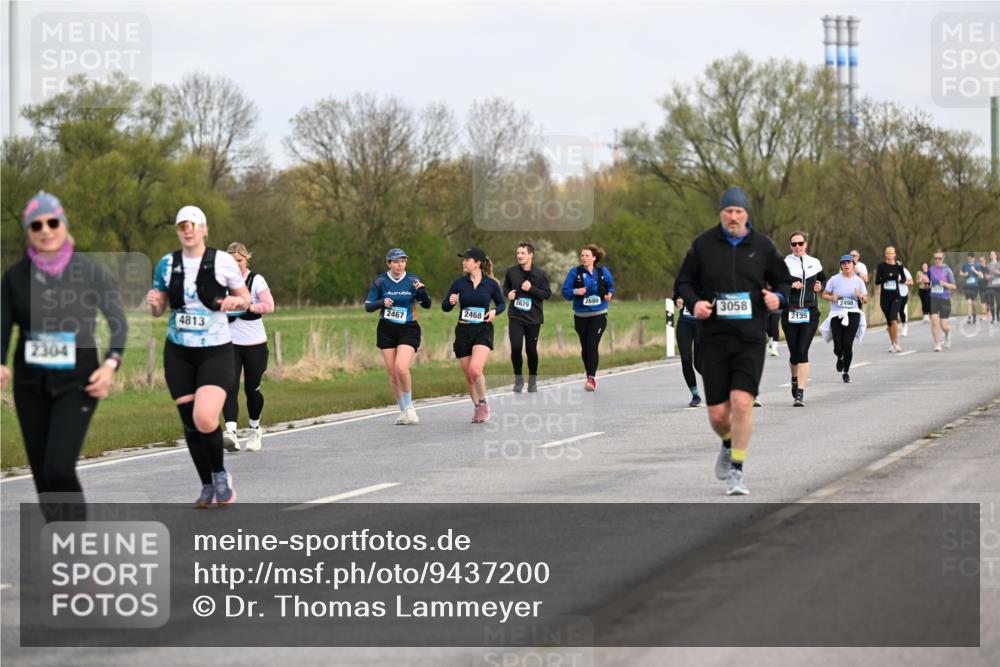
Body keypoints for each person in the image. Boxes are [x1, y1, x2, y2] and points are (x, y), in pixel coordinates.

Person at [1, 192, 127, 521]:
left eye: (52, 222)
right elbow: (3, 326)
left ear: (64, 225)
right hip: (30, 385)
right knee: (43, 476)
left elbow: (118, 321)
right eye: (36, 225)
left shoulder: (88, 271)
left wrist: (111, 364)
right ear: (28, 231)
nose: (45, 230)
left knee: (58, 466)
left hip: (78, 382)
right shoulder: (15, 277)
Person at [674, 187, 791, 496]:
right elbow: (683, 282)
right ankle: (727, 443)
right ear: (721, 213)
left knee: (741, 402)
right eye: (729, 211)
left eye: (739, 212)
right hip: (713, 338)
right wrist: (695, 302)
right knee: (717, 414)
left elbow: (784, 281)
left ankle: (737, 471)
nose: (734, 217)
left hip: (750, 338)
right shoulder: (703, 245)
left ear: (746, 214)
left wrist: (777, 297)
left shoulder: (762, 246)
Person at [147, 205, 251, 508]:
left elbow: (245, 299)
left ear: (204, 230)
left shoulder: (223, 262)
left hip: (215, 350)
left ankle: (220, 474)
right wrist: (154, 303)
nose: (188, 230)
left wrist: (234, 303)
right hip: (178, 352)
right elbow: (159, 308)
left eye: (193, 225)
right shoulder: (167, 264)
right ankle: (206, 485)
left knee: (204, 417)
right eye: (183, 226)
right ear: (178, 231)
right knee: (190, 424)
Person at [365, 248, 431, 425]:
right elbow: (368, 306)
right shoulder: (380, 281)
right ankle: (403, 411)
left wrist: (422, 291)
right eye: (396, 262)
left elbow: (427, 304)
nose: (400, 265)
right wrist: (381, 302)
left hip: (408, 328)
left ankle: (410, 407)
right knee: (393, 373)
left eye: (403, 261)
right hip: (386, 329)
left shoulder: (412, 279)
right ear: (389, 263)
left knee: (401, 367)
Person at [222, 242, 275, 452]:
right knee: (229, 387)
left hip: (255, 344)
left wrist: (250, 306)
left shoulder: (256, 280)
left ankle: (254, 429)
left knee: (251, 389)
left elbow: (269, 305)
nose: (236, 265)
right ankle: (231, 434)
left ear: (246, 259)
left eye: (239, 260)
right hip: (230, 344)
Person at [442, 248, 505, 423]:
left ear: (477, 263)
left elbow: (501, 304)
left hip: (483, 329)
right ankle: (477, 407)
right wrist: (451, 302)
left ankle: (483, 403)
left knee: (475, 369)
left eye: (467, 259)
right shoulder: (459, 283)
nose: (463, 262)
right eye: (463, 259)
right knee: (469, 376)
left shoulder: (491, 284)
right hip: (463, 330)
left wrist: (494, 311)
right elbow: (445, 306)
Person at [562, 245, 615, 391]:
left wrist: (609, 295)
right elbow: (565, 292)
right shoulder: (574, 272)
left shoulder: (602, 272)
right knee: (585, 347)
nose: (583, 258)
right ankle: (589, 374)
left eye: (587, 255)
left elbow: (610, 287)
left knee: (592, 344)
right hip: (581, 316)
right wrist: (576, 291)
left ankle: (591, 378)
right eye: (582, 255)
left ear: (594, 258)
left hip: (599, 314)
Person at [780, 231, 825, 407]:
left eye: (800, 243)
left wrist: (821, 286)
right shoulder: (784, 263)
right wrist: (790, 284)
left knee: (802, 351)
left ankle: (800, 393)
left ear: (805, 244)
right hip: (790, 311)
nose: (797, 247)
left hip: (810, 311)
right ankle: (794, 378)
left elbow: (823, 279)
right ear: (790, 246)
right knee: (794, 354)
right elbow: (777, 284)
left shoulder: (815, 262)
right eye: (794, 244)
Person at [502, 242, 551, 393]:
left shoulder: (540, 274)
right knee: (516, 347)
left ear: (530, 255)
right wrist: (508, 294)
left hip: (533, 318)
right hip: (515, 316)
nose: (519, 256)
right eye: (518, 253)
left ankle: (533, 380)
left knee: (531, 350)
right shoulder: (511, 272)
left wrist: (531, 289)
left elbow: (547, 294)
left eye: (522, 253)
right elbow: (505, 287)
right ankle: (518, 379)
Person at [820, 255, 868, 383]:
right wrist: (832, 298)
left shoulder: (859, 281)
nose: (846, 265)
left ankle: (846, 372)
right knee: (838, 346)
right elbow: (824, 294)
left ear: (853, 265)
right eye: (844, 263)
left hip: (853, 313)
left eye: (849, 263)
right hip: (837, 314)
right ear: (841, 265)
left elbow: (865, 300)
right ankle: (839, 356)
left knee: (848, 343)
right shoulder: (834, 279)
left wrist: (860, 296)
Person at [874, 246, 908, 352]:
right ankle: (892, 343)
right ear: (885, 254)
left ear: (895, 254)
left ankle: (896, 343)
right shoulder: (881, 266)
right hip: (885, 297)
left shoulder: (899, 265)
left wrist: (898, 280)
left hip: (896, 296)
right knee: (889, 322)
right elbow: (877, 282)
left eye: (891, 253)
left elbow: (904, 279)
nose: (889, 255)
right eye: (888, 253)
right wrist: (886, 278)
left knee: (894, 318)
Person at [672, 292, 702, 408]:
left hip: (702, 324)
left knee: (699, 364)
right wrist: (677, 301)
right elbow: (676, 297)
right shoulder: (683, 282)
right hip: (684, 324)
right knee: (685, 359)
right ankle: (695, 396)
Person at [927, 250, 957, 352]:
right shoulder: (931, 270)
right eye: (935, 258)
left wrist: (945, 284)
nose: (937, 260)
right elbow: (927, 283)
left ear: (943, 258)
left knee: (944, 325)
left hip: (944, 299)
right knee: (934, 321)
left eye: (939, 258)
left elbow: (954, 286)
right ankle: (937, 344)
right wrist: (927, 283)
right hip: (933, 298)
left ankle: (947, 333)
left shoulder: (947, 270)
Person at [958, 252, 983, 324]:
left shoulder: (977, 265)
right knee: (969, 302)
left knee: (973, 303)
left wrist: (974, 270)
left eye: (971, 258)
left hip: (974, 286)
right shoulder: (965, 264)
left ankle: (974, 314)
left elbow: (980, 275)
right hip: (967, 286)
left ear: (974, 258)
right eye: (968, 258)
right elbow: (960, 273)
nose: (969, 259)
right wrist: (964, 274)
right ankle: (969, 317)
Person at [898, 263, 914, 337]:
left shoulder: (905, 271)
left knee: (901, 311)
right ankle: (891, 325)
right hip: (893, 294)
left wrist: (902, 281)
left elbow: (911, 282)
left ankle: (904, 324)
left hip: (903, 294)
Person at [986, 251, 1000, 325]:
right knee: (991, 302)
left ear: (996, 255)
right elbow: (985, 275)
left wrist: (998, 272)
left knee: (998, 302)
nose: (992, 255)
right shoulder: (988, 265)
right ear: (990, 256)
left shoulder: (999, 264)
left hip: (998, 285)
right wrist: (987, 277)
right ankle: (993, 318)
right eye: (991, 254)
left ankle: (998, 315)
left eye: (993, 254)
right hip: (990, 286)